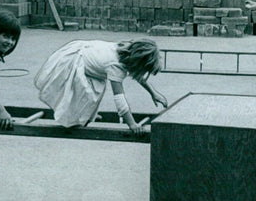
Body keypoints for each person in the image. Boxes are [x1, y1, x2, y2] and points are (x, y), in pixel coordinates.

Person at [34, 39, 168, 136]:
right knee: (83, 93)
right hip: (74, 61)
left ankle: (85, 114)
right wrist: (132, 124)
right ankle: (76, 117)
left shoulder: (125, 50)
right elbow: (119, 98)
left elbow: (137, 74)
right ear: (138, 63)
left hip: (85, 52)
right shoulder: (115, 66)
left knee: (94, 92)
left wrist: (153, 93)